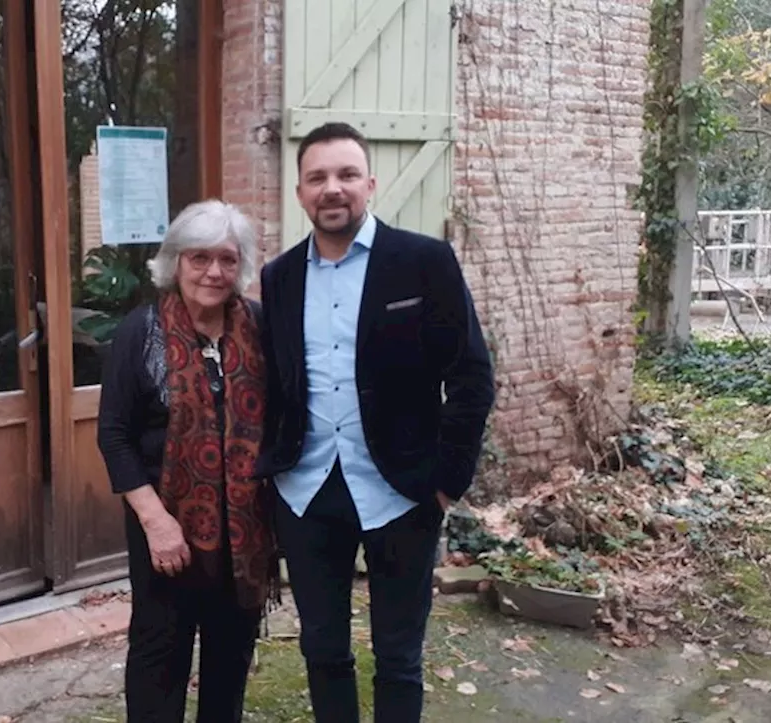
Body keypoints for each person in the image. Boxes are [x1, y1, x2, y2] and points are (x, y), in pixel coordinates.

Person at [256, 121, 496, 722]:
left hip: (404, 489)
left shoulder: (423, 262)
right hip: (307, 490)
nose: (331, 189)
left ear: (370, 183)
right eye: (317, 177)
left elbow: (471, 375)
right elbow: (276, 382)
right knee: (323, 648)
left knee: (398, 655)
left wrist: (448, 481)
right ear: (300, 192)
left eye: (345, 175)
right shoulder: (279, 278)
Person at [96, 199, 279, 723]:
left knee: (230, 657)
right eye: (199, 258)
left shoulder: (259, 327)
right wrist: (155, 523)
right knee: (159, 655)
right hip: (165, 528)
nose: (213, 272)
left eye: (226, 259)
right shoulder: (141, 332)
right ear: (175, 262)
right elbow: (114, 435)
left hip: (243, 533)